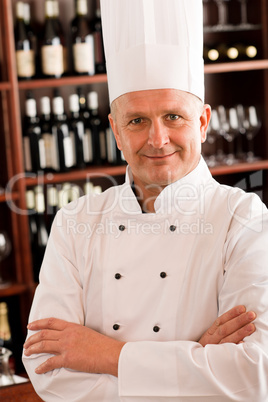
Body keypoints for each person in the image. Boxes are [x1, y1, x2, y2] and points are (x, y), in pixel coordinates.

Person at [23, 0, 268, 401]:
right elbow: (46, 367)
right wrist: (198, 361)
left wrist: (105, 355)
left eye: (174, 117)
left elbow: (255, 375)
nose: (157, 140)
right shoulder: (74, 221)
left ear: (203, 123)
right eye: (137, 121)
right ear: (117, 133)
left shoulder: (243, 218)